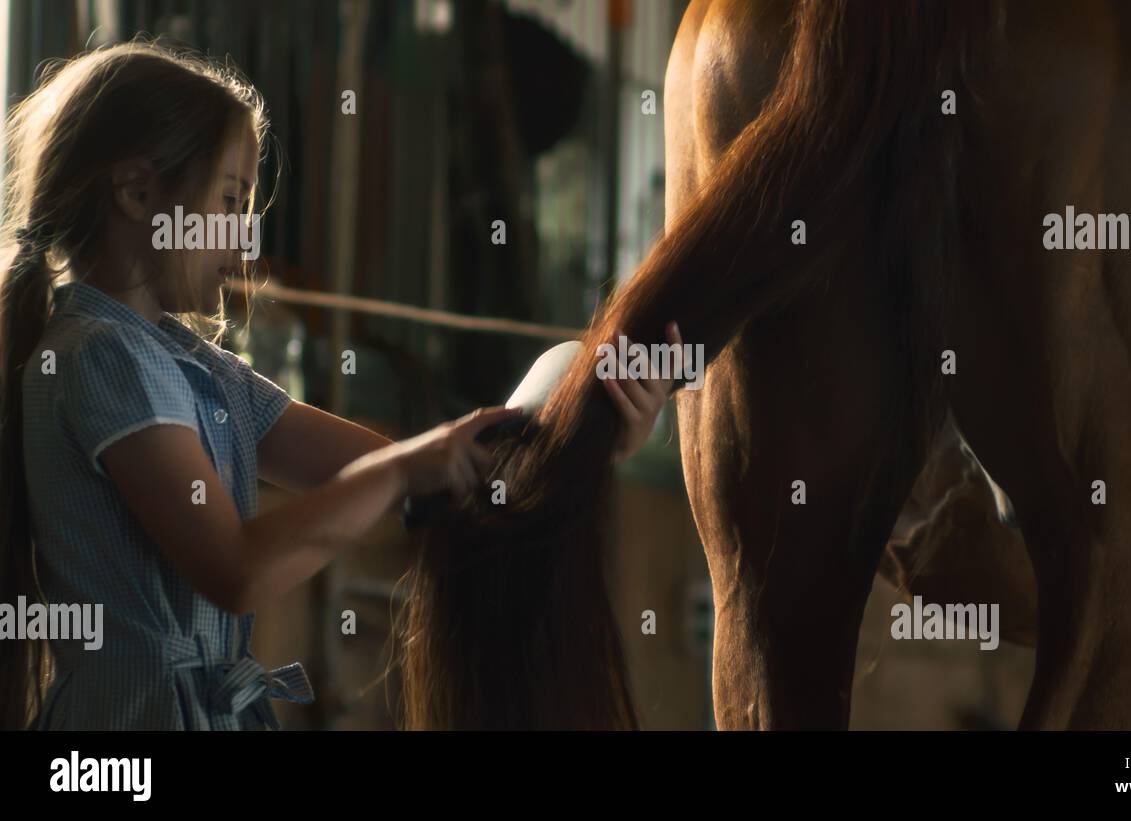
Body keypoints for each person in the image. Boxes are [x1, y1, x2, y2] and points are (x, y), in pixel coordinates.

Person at [0, 42, 675, 730]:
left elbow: (431, 471)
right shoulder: (97, 356)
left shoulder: (197, 366)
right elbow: (236, 568)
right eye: (230, 201)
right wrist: (406, 468)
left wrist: (595, 426)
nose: (243, 247)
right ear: (138, 190)